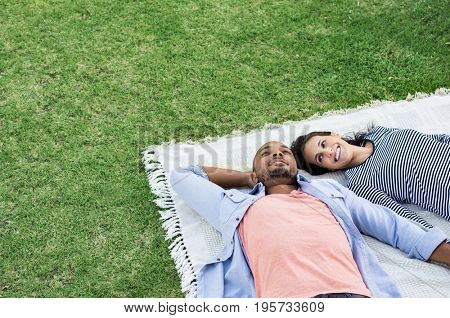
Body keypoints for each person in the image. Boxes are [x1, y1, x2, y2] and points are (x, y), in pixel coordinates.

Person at [170, 141, 450, 298]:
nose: (277, 154)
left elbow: (393, 227)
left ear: (296, 166)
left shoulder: (331, 193)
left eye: (284, 152)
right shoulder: (235, 206)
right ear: (255, 171)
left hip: (353, 298)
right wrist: (247, 179)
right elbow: (183, 176)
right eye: (266, 155)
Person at [291, 126, 450, 228]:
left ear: (334, 134)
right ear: (326, 168)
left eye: (324, 144)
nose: (328, 152)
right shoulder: (359, 184)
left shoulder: (379, 132)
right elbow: (403, 219)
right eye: (320, 158)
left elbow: (437, 139)